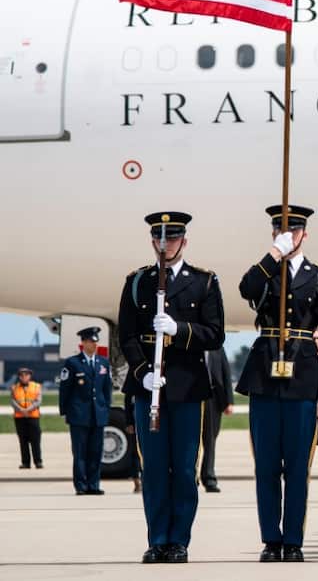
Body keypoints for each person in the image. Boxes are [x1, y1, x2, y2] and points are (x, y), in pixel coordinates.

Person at [118, 211, 225, 564]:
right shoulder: (138, 282)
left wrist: (179, 329)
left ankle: (179, 540)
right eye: (160, 239)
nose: (166, 245)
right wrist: (142, 372)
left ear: (184, 241)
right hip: (148, 385)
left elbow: (214, 334)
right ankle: (157, 539)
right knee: (154, 469)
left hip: (185, 387)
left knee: (182, 469)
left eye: (173, 238)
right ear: (153, 242)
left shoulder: (203, 283)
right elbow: (127, 335)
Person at [236, 204, 318, 562]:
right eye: (281, 231)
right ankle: (271, 539)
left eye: (294, 231)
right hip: (265, 373)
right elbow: (245, 288)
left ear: (305, 234)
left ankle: (293, 540)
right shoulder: (267, 271)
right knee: (266, 465)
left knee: (297, 466)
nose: (289, 236)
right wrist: (274, 253)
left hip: (303, 376)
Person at [59, 326, 113, 496]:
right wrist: (64, 411)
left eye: (95, 342)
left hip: (98, 415)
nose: (94, 345)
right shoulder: (72, 363)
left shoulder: (103, 363)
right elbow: (65, 390)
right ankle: (81, 486)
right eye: (90, 342)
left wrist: (106, 409)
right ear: (83, 343)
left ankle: (94, 484)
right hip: (79, 415)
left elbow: (107, 390)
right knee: (80, 452)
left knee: (96, 452)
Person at [199, 346, 233, 492]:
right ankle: (191, 477)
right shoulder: (192, 344)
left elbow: (226, 372)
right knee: (191, 439)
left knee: (210, 439)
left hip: (213, 397)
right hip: (194, 395)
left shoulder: (217, 347)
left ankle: (209, 478)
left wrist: (229, 401)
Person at [11, 366, 43, 469]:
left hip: (33, 417)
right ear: (19, 377)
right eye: (22, 375)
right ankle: (25, 463)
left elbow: (38, 401)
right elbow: (13, 401)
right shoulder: (14, 387)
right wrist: (21, 410)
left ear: (30, 376)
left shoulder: (36, 386)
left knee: (35, 440)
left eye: (26, 375)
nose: (24, 377)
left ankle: (38, 461)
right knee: (23, 441)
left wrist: (28, 410)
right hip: (19, 418)